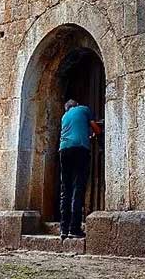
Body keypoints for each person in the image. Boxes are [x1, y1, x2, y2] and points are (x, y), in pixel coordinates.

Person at [59, 99, 101, 240]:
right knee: (78, 187)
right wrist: (96, 134)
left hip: (64, 150)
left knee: (66, 190)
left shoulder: (65, 116)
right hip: (80, 150)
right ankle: (74, 228)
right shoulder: (84, 109)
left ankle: (63, 229)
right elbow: (95, 128)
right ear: (76, 105)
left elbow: (73, 131)